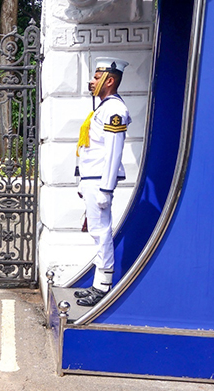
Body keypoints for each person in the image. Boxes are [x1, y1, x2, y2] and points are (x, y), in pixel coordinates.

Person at [73, 57, 131, 307]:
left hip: (99, 181)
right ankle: (98, 283)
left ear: (110, 81)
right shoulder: (102, 108)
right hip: (92, 179)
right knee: (96, 232)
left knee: (101, 232)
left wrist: (106, 189)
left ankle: (103, 286)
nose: (92, 81)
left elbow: (113, 152)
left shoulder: (114, 110)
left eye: (97, 77)